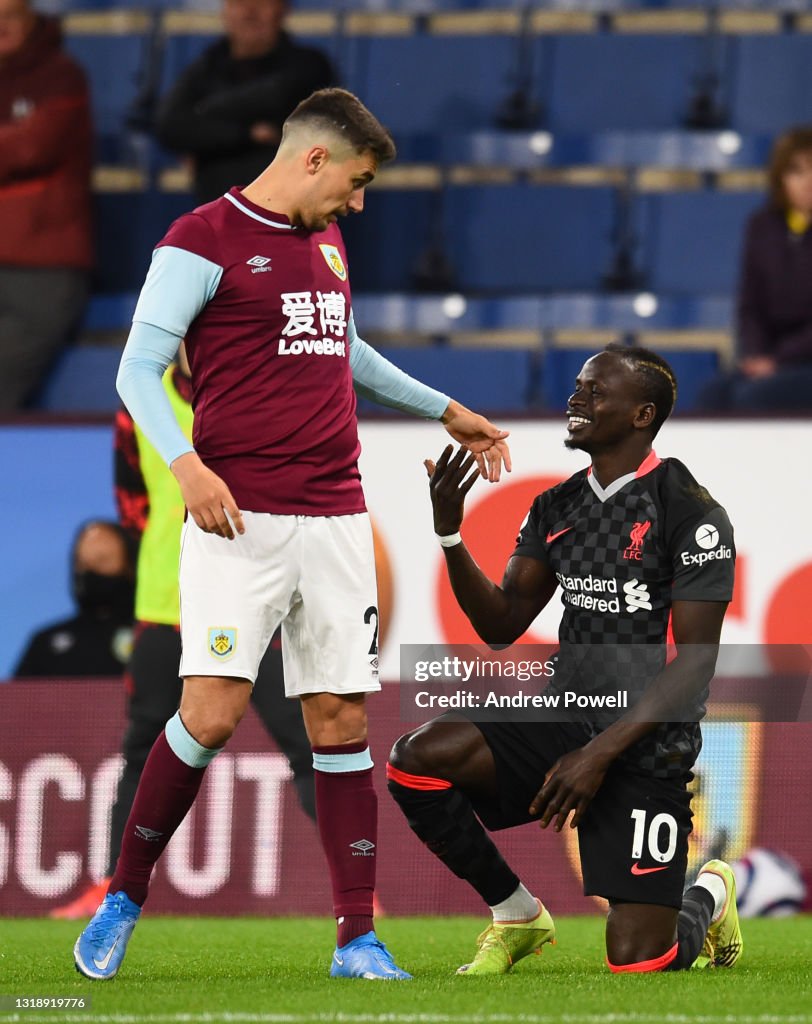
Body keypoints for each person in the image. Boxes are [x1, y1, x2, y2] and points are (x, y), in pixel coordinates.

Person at [73, 87, 511, 983]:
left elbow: (344, 349)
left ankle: (357, 939)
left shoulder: (327, 243)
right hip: (243, 521)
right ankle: (124, 894)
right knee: (212, 713)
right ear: (315, 158)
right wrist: (184, 463)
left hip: (337, 515)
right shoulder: (199, 240)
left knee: (342, 719)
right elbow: (136, 369)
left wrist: (445, 409)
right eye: (356, 182)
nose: (358, 202)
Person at [388, 344, 743, 976]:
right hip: (565, 713)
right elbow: (500, 624)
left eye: (594, 391)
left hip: (643, 744)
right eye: (577, 388)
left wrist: (599, 754)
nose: (576, 400)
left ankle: (707, 895)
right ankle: (517, 913)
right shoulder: (558, 506)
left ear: (642, 414)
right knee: (416, 761)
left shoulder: (690, 511)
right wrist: (449, 533)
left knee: (641, 963)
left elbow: (693, 665)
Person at [51, 348, 316, 920]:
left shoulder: (251, 394)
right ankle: (110, 886)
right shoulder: (139, 407)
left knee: (306, 742)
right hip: (163, 605)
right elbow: (133, 505)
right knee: (140, 748)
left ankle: (359, 891)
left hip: (251, 605)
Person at [0, 0, 93, 411]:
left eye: (11, 16)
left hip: (42, 266)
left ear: (33, 19)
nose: (0, 26)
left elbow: (30, 146)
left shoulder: (61, 77)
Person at [155, 0, 335, 205]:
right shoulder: (205, 68)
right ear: (225, 11)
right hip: (219, 218)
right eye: (239, 2)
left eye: (261, 2)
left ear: (282, 9)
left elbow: (277, 95)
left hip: (289, 221)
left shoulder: (310, 65)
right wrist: (248, 134)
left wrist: (204, 117)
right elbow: (169, 126)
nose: (250, 12)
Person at [698, 125, 812, 412]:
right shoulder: (762, 226)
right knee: (713, 395)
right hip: (769, 359)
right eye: (796, 171)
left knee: (751, 398)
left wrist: (777, 360)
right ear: (780, 178)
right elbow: (750, 305)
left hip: (802, 360)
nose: (807, 181)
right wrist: (756, 354)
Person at [14, 521, 135, 678]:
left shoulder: (150, 640)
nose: (90, 571)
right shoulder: (45, 643)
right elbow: (17, 699)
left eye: (102, 561)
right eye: (82, 564)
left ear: (129, 566)